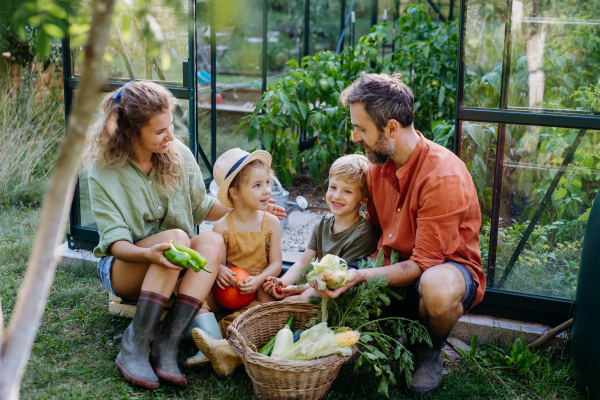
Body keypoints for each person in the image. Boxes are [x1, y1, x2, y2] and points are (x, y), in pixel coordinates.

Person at [85, 82, 284, 389]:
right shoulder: (104, 170)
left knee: (213, 241)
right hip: (127, 266)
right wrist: (150, 254)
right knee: (178, 236)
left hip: (177, 261)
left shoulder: (177, 154)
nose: (171, 136)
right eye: (159, 131)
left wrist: (246, 204)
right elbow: (116, 244)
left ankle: (168, 343)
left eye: (171, 126)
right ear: (130, 132)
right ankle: (135, 345)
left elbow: (203, 208)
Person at [313, 73, 486, 395]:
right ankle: (394, 332)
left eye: (361, 128)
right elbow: (376, 230)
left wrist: (359, 277)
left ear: (391, 128)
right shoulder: (378, 165)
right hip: (395, 264)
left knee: (436, 287)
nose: (354, 137)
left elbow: (422, 264)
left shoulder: (441, 177)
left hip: (441, 268)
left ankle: (429, 352)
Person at [187, 148, 283, 377]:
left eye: (267, 183)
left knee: (263, 311)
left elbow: (276, 264)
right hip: (228, 288)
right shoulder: (223, 225)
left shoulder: (271, 223)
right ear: (235, 193)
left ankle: (220, 344)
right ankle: (212, 341)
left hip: (255, 287)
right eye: (257, 185)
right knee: (197, 299)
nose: (267, 190)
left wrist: (259, 279)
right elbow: (217, 263)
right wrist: (220, 269)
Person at [262, 154, 379, 301]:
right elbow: (301, 264)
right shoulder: (322, 223)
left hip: (339, 294)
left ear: (363, 198)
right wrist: (282, 283)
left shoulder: (362, 234)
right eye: (333, 187)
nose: (337, 196)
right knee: (267, 291)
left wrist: (295, 290)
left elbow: (334, 281)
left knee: (301, 299)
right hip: (318, 286)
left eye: (347, 191)